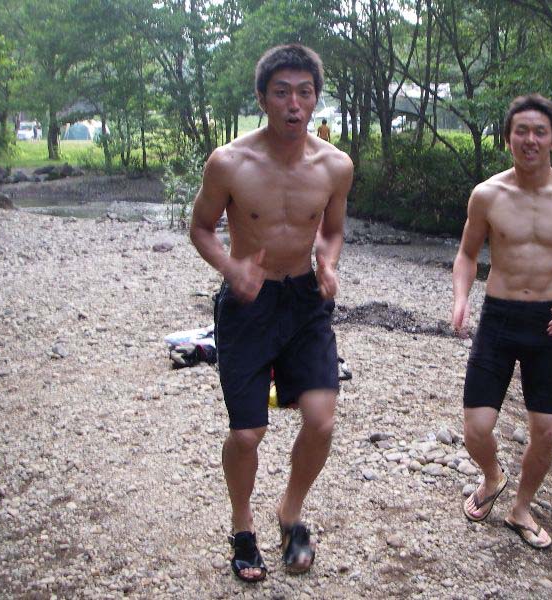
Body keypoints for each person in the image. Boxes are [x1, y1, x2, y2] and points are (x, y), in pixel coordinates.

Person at [189, 43, 353, 583]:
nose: (293, 104)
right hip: (248, 304)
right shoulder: (229, 163)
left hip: (306, 300)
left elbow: (332, 230)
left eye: (304, 92)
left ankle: (290, 513)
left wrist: (328, 263)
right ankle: (242, 528)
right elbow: (200, 228)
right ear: (262, 98)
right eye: (281, 92)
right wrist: (231, 268)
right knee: (247, 434)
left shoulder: (335, 166)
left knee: (321, 420)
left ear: (316, 99)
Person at [452, 94, 552, 549]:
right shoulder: (487, 195)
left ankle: (521, 508)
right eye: (521, 131)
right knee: (476, 430)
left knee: (546, 430)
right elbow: (466, 255)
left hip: (548, 323)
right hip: (498, 319)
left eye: (540, 131)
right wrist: (461, 298)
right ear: (508, 138)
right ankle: (492, 475)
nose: (530, 140)